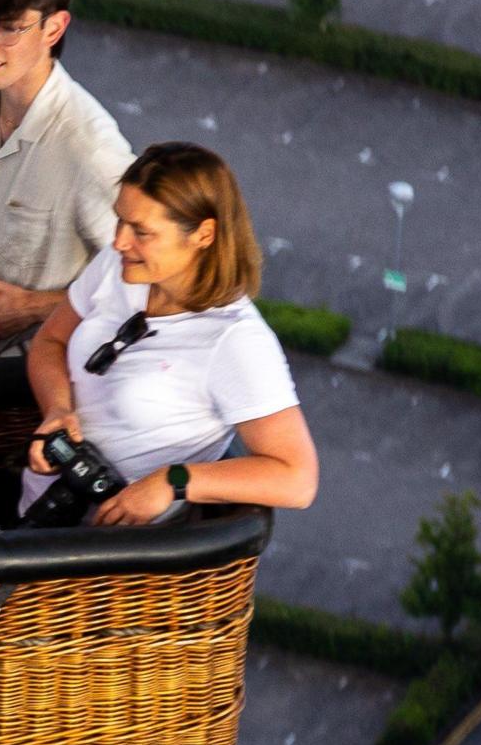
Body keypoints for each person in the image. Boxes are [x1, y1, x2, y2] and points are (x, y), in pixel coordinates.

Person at [25, 142, 321, 526]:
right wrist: (58, 409)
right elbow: (51, 341)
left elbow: (297, 478)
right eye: (120, 220)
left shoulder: (236, 341)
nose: (119, 241)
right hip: (36, 518)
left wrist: (174, 481)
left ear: (203, 234)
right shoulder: (116, 267)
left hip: (108, 566)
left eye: (141, 232)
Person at [0, 0, 135, 349]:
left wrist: (35, 307)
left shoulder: (91, 147)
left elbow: (146, 284)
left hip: (23, 382)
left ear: (54, 28)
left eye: (8, 28)